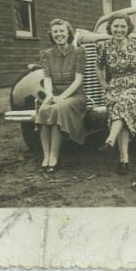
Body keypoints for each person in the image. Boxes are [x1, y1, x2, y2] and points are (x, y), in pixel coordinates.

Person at [96, 13, 136, 175]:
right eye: (116, 26)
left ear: (128, 28)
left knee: (123, 102)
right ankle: (123, 160)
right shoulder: (104, 47)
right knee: (121, 107)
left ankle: (110, 140)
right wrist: (104, 85)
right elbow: (98, 68)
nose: (119, 30)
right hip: (116, 86)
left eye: (123, 26)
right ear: (110, 27)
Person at [35, 19, 87, 173]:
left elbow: (78, 80)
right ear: (52, 34)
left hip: (74, 95)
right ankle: (45, 156)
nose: (59, 34)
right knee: (43, 110)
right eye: (55, 32)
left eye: (62, 31)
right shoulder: (46, 54)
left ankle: (54, 156)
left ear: (68, 33)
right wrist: (49, 95)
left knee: (57, 109)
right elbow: (47, 78)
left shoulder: (79, 52)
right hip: (54, 94)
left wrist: (62, 97)